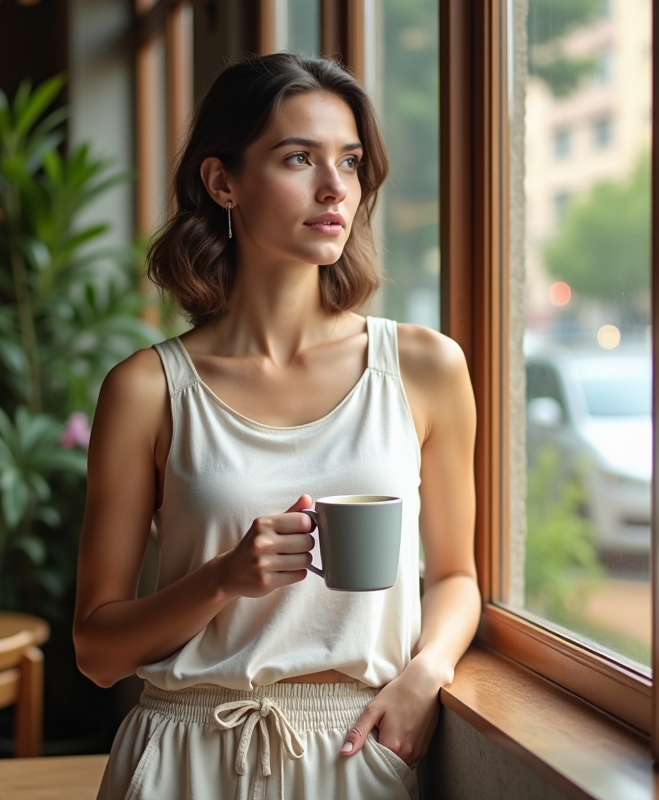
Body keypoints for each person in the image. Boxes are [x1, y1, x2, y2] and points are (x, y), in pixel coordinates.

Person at [73, 52, 479, 800]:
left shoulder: (425, 367)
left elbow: (456, 575)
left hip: (354, 757)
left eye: (351, 163)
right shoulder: (146, 390)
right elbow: (97, 650)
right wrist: (225, 578)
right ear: (222, 180)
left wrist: (427, 673)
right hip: (181, 757)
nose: (335, 189)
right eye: (299, 158)